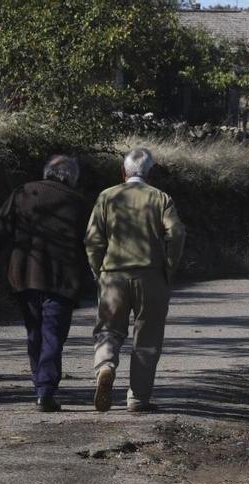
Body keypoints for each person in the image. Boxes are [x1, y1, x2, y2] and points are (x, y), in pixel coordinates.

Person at [0, 156, 89, 412]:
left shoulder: (23, 193)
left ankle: (41, 384)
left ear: (47, 173)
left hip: (25, 275)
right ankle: (45, 389)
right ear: (70, 177)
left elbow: (0, 229)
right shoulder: (78, 203)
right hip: (61, 281)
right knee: (53, 335)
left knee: (34, 331)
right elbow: (90, 245)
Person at [85, 148, 186, 413]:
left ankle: (105, 365)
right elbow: (176, 233)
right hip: (151, 275)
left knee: (108, 328)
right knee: (148, 336)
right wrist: (169, 266)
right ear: (150, 174)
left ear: (123, 172)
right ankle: (138, 398)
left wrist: (99, 271)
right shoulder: (161, 198)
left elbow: (93, 240)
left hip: (113, 275)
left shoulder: (107, 197)